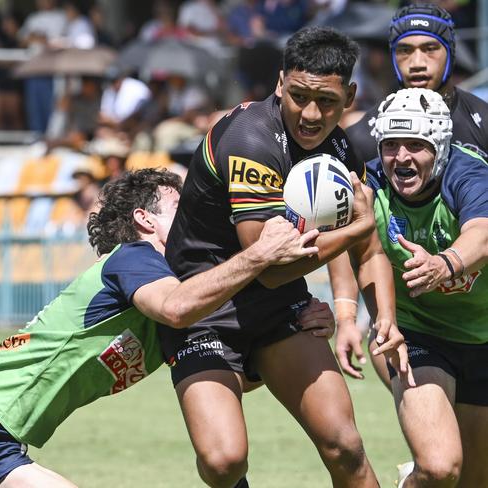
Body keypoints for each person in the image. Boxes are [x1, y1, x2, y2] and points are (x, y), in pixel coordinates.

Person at [0, 168, 328, 488]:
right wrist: (260, 254)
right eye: (183, 206)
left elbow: (224, 378)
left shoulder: (173, 292)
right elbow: (176, 307)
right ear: (145, 219)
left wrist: (294, 328)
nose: (199, 214)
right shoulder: (133, 260)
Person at [158, 26, 409, 488]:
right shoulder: (250, 141)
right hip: (207, 307)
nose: (311, 114)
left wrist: (373, 317)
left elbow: (366, 248)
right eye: (298, 96)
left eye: (328, 102)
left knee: (345, 445)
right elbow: (269, 265)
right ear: (279, 84)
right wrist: (358, 225)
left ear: (350, 95)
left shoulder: (340, 150)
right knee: (223, 461)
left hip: (277, 310)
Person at [330, 3, 488, 385]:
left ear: (449, 52)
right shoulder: (362, 138)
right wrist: (346, 316)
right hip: (411, 322)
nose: (417, 61)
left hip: (478, 307)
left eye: (429, 49)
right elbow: (339, 229)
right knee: (436, 442)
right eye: (404, 50)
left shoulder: (484, 123)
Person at [359, 87, 488, 488]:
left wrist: (444, 263)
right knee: (439, 466)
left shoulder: (467, 173)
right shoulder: (368, 184)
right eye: (391, 145)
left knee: (472, 480)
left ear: (441, 147)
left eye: (416, 145)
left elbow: (483, 233)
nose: (401, 158)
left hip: (482, 338)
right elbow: (352, 247)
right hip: (419, 335)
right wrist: (349, 312)